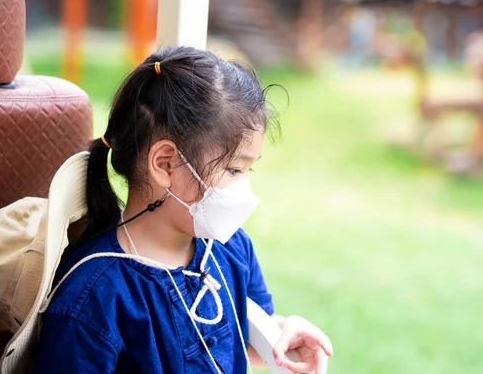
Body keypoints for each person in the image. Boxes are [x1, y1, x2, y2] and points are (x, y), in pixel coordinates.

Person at [35, 46, 333, 373]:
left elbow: (240, 340)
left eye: (249, 171)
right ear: (166, 164)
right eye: (234, 170)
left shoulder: (231, 248)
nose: (244, 190)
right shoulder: (93, 297)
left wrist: (282, 332)